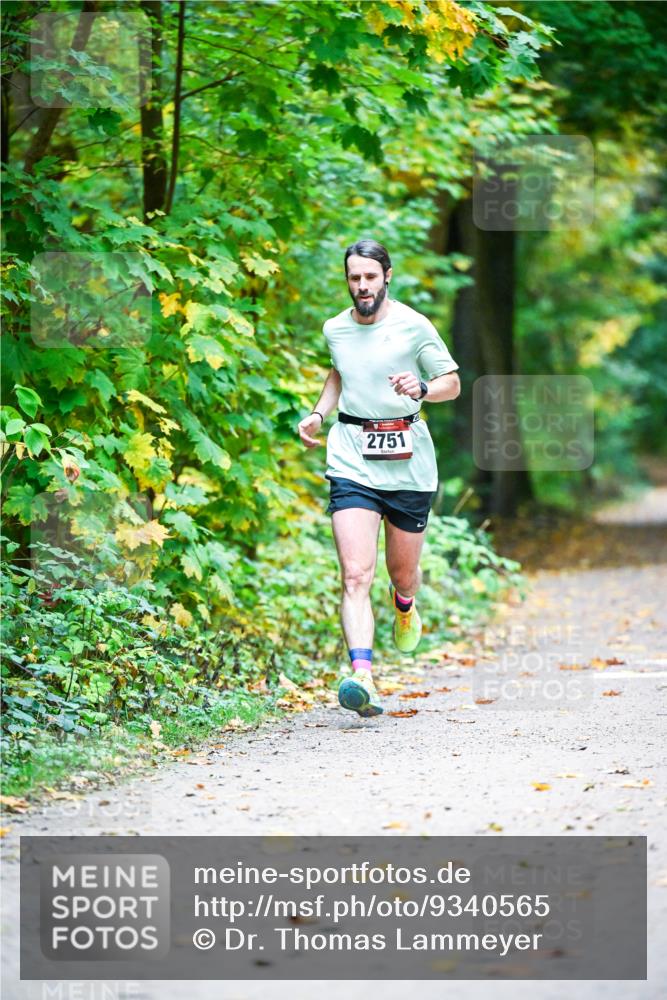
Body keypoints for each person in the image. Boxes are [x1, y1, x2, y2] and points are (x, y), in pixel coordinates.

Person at [297, 239, 460, 718]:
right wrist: (317, 414)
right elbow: (340, 372)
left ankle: (405, 604)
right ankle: (362, 676)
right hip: (352, 459)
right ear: (347, 280)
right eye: (354, 278)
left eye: (370, 277)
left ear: (386, 275)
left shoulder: (414, 326)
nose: (362, 286)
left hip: (408, 463)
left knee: (401, 573)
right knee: (355, 574)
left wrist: (424, 387)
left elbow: (452, 381)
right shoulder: (336, 329)